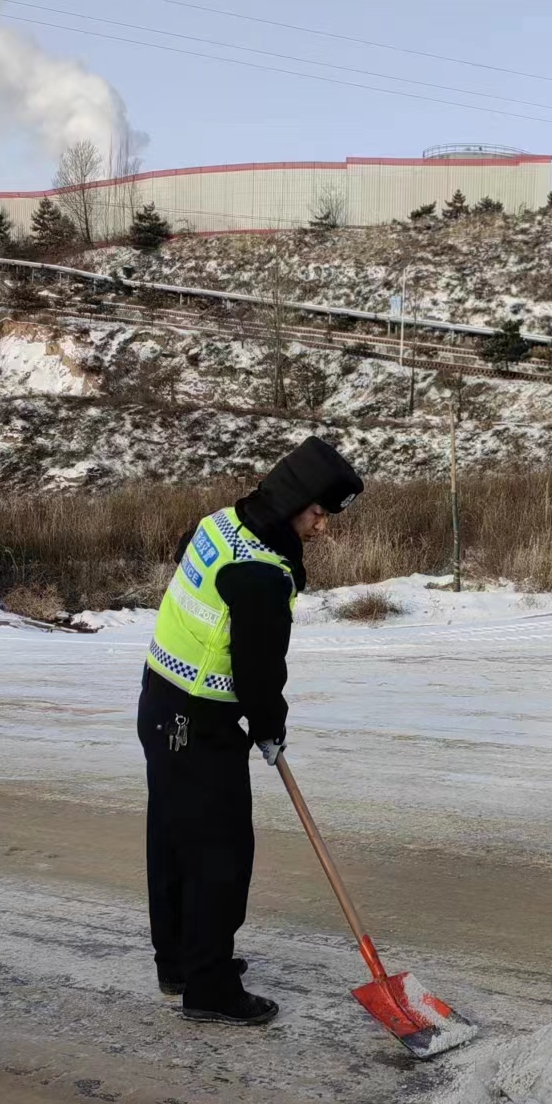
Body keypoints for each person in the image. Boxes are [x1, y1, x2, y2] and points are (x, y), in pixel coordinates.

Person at [137, 436, 364, 1026]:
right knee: (221, 854)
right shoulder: (261, 572)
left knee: (172, 837)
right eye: (317, 514)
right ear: (292, 502)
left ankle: (181, 963)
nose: (321, 528)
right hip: (198, 720)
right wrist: (270, 728)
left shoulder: (221, 523)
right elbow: (259, 671)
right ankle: (209, 988)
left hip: (161, 700)